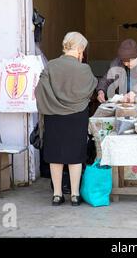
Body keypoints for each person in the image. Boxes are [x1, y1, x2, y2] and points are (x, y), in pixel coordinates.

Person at [35, 32, 98, 206]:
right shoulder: (84, 69)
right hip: (76, 117)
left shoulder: (51, 66)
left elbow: (39, 90)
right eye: (82, 50)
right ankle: (75, 195)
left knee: (56, 155)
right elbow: (91, 87)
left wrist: (53, 103)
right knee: (75, 155)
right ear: (78, 48)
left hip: (53, 115)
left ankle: (57, 195)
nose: (83, 54)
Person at [96, 38, 137, 103]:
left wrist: (133, 93)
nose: (126, 64)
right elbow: (106, 79)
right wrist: (101, 91)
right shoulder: (117, 62)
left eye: (130, 61)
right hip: (126, 101)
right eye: (124, 61)